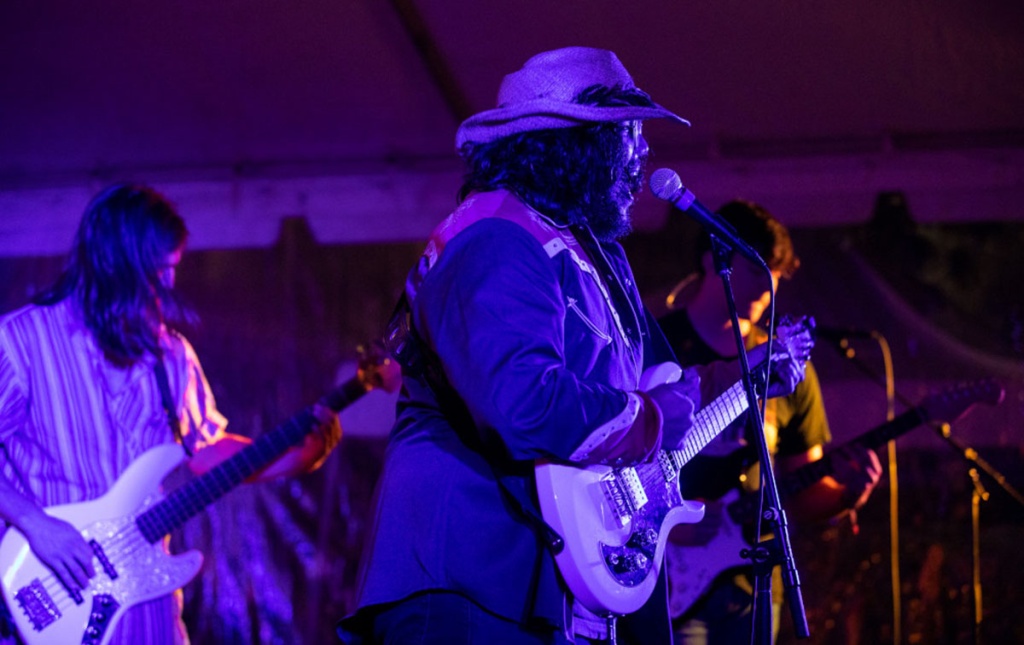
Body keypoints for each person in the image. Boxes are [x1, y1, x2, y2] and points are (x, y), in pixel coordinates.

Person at [337, 48, 809, 645]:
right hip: (469, 574)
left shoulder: (591, 252)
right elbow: (525, 404)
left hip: (545, 585)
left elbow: (666, 384)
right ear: (576, 147)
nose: (643, 161)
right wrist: (656, 417)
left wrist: (744, 377)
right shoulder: (495, 236)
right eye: (629, 138)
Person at [0, 184, 341, 644]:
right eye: (159, 270)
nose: (169, 285)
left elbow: (206, 452)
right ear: (116, 265)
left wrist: (298, 457)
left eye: (172, 269)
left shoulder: (169, 353)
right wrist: (34, 523)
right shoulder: (21, 342)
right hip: (53, 591)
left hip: (147, 607)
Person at [658, 200, 883, 644]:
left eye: (778, 272)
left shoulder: (787, 366)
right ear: (713, 259)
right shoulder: (658, 345)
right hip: (666, 576)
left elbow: (802, 491)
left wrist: (849, 495)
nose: (771, 285)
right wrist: (666, 519)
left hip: (756, 586)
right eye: (759, 268)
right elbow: (614, 458)